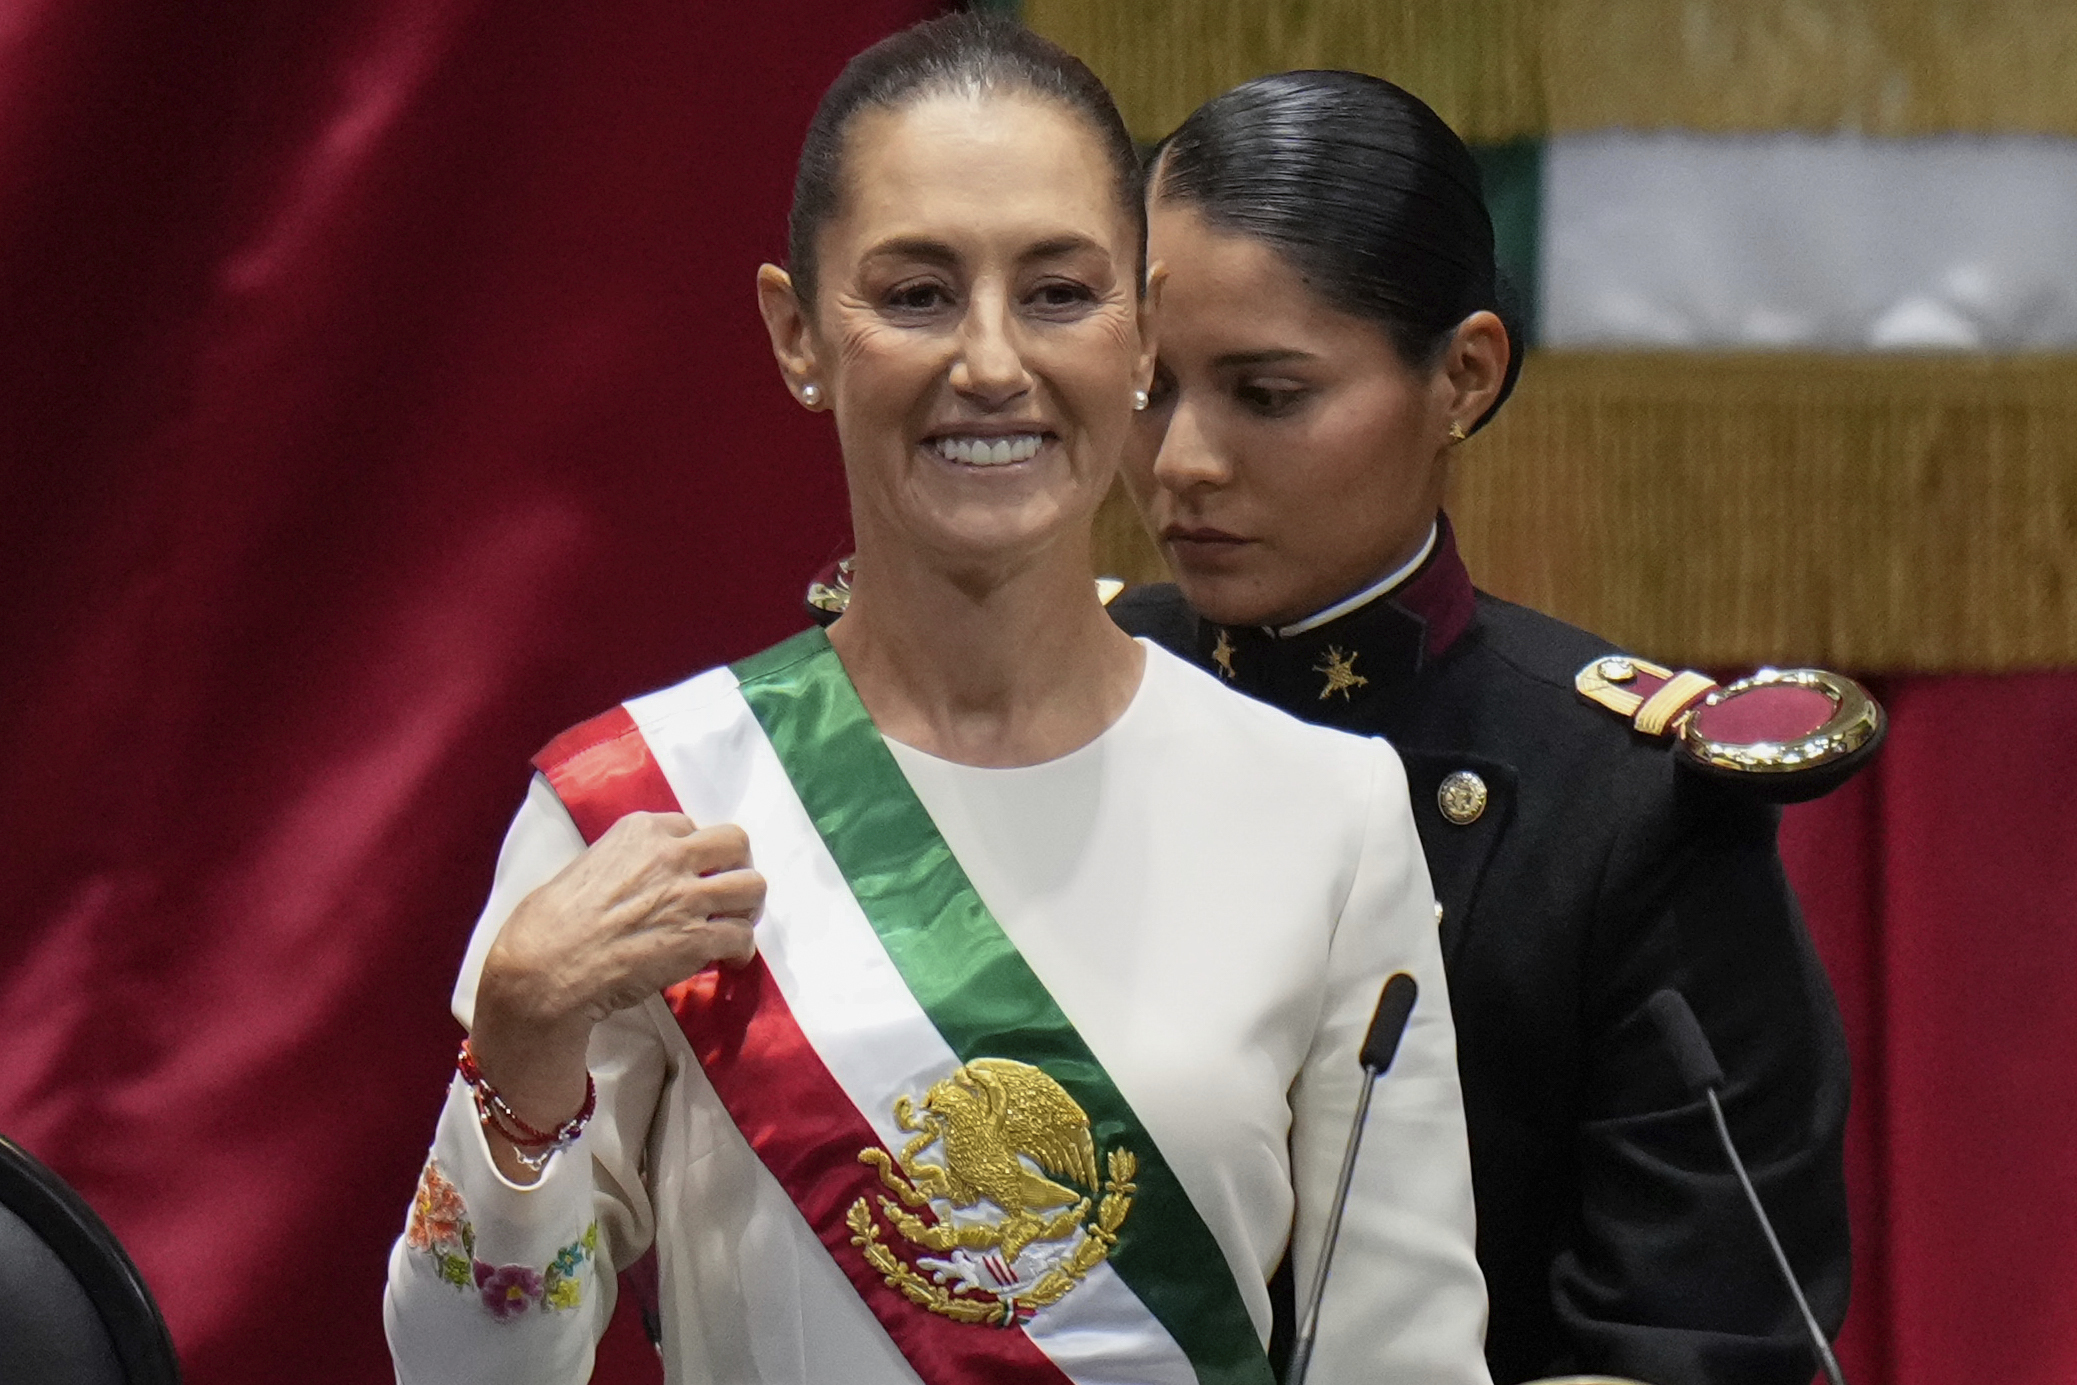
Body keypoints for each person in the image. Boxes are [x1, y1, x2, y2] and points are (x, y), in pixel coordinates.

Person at [383, 21, 1491, 1385]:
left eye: (1058, 293)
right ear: (798, 334)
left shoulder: (1328, 814)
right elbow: (464, 1371)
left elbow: (1402, 1361)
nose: (988, 361)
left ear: (1141, 329)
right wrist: (520, 1053)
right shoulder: (640, 804)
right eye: (915, 293)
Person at [1102, 71, 1856, 1385]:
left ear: (1463, 374)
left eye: (1265, 394)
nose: (1180, 462)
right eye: (1149, 388)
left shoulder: (1627, 801)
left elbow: (1704, 1332)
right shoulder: (1058, 704)